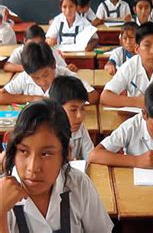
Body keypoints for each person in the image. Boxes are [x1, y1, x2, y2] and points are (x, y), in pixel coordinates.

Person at [0, 99, 113, 232]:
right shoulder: (3, 197)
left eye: (46, 154)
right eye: (23, 151)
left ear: (66, 154)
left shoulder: (78, 184)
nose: (33, 167)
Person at [0, 42, 98, 105]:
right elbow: (2, 96)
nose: (42, 82)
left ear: (54, 65)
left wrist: (68, 95)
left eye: (46, 75)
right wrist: (32, 98)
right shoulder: (25, 77)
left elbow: (94, 96)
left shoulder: (65, 75)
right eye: (36, 78)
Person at [49, 76, 93, 161]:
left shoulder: (81, 128)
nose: (79, 116)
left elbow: (90, 157)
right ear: (57, 109)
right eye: (73, 110)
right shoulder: (45, 133)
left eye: (83, 108)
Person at [4, 24, 77, 73]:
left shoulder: (49, 50)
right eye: (31, 44)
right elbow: (7, 66)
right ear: (25, 41)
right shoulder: (20, 51)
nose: (35, 47)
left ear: (44, 42)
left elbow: (63, 66)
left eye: (39, 44)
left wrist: (67, 68)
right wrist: (28, 68)